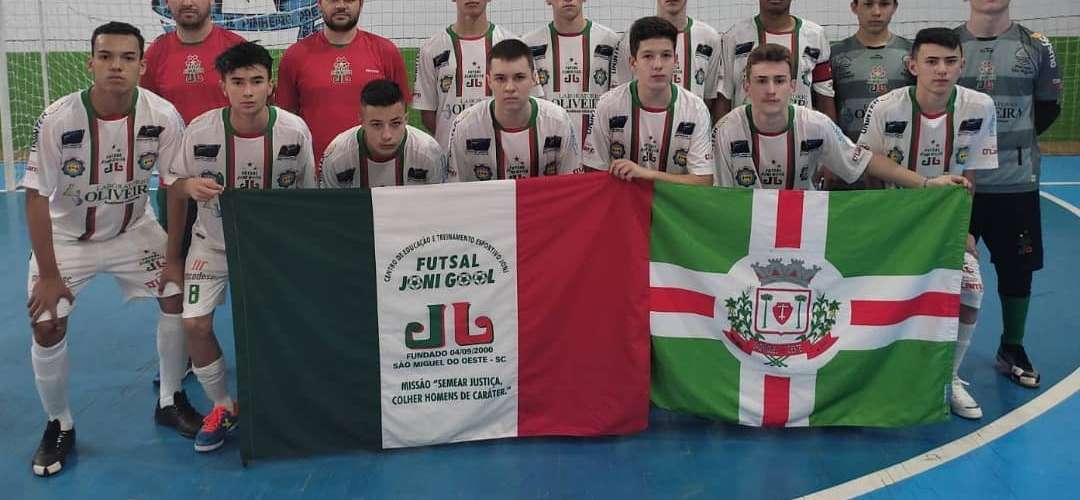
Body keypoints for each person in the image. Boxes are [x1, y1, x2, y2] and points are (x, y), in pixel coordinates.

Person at [22, 21, 192, 477]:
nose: (116, 65)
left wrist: (174, 258)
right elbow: (35, 197)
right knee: (46, 324)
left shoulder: (163, 115)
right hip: (67, 239)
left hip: (134, 230)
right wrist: (50, 274)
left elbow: (175, 187)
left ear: (142, 66)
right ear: (90, 63)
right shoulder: (58, 118)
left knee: (176, 294)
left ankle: (170, 398)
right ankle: (59, 423)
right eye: (106, 56)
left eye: (127, 57)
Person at [160, 42, 316, 452]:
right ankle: (222, 406)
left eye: (256, 81)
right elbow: (174, 185)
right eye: (238, 82)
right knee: (194, 324)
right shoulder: (200, 131)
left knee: (276, 329)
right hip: (212, 245)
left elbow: (309, 196)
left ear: (271, 85)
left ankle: (279, 401)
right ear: (222, 86)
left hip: (272, 250)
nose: (247, 91)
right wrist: (188, 186)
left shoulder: (294, 131)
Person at [858, 28, 999, 418]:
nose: (942, 70)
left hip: (945, 224)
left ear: (962, 65)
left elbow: (971, 175)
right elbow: (868, 163)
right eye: (932, 61)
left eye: (950, 62)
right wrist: (916, 189)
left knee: (971, 291)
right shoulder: (885, 107)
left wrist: (965, 228)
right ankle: (877, 376)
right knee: (884, 298)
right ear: (912, 65)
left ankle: (949, 376)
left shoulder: (979, 106)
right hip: (895, 220)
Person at [957, 0, 1063, 389]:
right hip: (957, 184)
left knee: (1017, 269)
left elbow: (1048, 108)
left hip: (1015, 181)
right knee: (944, 269)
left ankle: (1012, 348)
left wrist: (1007, 146)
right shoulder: (948, 44)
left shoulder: (1037, 45)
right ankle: (939, 353)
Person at [142, 0, 244, 389]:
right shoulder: (157, 53)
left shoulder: (234, 46)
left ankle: (258, 349)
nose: (188, 2)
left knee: (243, 267)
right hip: (178, 186)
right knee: (176, 265)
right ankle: (184, 351)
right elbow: (145, 114)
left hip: (232, 185)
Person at [712, 43, 968, 191]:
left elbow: (865, 161)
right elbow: (717, 196)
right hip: (747, 224)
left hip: (801, 222)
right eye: (761, 81)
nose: (770, 90)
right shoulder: (726, 130)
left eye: (779, 81)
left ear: (792, 86)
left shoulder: (816, 125)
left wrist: (927, 183)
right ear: (746, 87)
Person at [276, 0, 410, 177]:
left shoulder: (386, 51)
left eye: (348, 0)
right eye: (333, 0)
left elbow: (400, 116)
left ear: (361, 3)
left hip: (376, 174)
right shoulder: (294, 56)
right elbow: (286, 122)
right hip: (315, 175)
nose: (340, 5)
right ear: (319, 4)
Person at [583, 16, 713, 186]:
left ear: (676, 61)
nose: (657, 65)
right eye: (648, 56)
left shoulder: (695, 109)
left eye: (666, 55)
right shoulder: (608, 105)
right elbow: (592, 173)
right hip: (624, 202)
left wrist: (646, 174)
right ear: (633, 63)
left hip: (671, 204)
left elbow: (704, 180)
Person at [447, 39, 579, 181]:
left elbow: (573, 185)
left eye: (519, 77)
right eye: (500, 79)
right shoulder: (465, 127)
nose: (509, 88)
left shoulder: (558, 122)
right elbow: (455, 188)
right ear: (489, 81)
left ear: (534, 79)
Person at [414, 0, 528, 148]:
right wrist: (455, 139)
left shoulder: (512, 44)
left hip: (502, 152)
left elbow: (527, 104)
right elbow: (427, 113)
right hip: (450, 153)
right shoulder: (431, 49)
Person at [829, 0, 912, 189]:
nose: (876, 12)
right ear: (854, 7)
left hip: (900, 168)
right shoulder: (834, 54)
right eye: (868, 4)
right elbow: (825, 108)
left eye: (884, 4)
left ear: (894, 7)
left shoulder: (911, 53)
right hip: (848, 167)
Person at [523, 0, 620, 151]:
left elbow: (618, 101)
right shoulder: (529, 44)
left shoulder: (611, 41)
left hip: (598, 151)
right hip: (550, 151)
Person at [717, 0, 835, 120]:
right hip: (746, 129)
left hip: (801, 129)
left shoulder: (816, 35)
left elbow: (825, 97)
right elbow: (724, 97)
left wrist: (830, 132)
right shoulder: (734, 37)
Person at [321, 79, 449, 187]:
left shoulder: (429, 154)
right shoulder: (336, 158)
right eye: (377, 125)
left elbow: (439, 206)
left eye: (395, 123)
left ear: (406, 119)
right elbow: (328, 207)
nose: (387, 136)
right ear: (362, 121)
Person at [610, 1, 722, 118]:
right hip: (642, 124)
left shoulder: (710, 38)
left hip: (692, 125)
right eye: (648, 56)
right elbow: (621, 94)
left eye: (666, 55)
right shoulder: (630, 39)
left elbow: (709, 98)